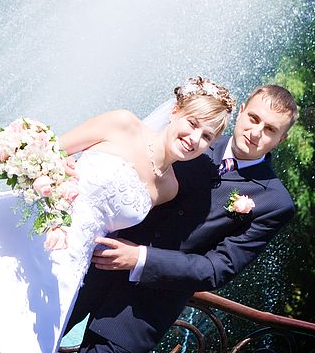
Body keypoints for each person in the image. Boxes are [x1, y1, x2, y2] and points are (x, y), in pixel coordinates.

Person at [0, 77, 235, 353]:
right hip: (28, 232)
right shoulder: (123, 124)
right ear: (175, 112)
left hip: (67, 269)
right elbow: (49, 155)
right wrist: (53, 191)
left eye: (207, 136)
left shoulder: (169, 188)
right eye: (193, 123)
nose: (195, 138)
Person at [64, 84, 298, 353]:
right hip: (85, 271)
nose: (256, 132)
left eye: (270, 130)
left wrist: (141, 258)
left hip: (138, 314)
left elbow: (217, 268)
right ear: (242, 111)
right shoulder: (188, 139)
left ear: (281, 139)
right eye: (254, 119)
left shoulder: (276, 202)